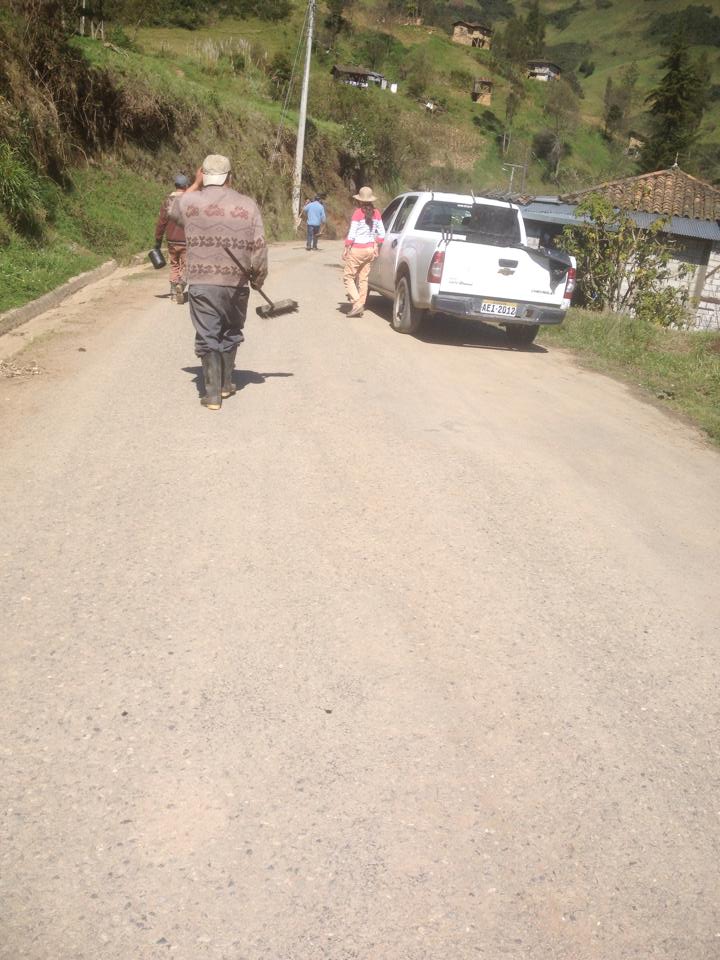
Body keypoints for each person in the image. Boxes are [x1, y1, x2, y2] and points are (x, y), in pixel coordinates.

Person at [170, 155, 268, 411]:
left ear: (204, 175)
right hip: (236, 284)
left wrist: (194, 183)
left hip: (203, 282)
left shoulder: (190, 202)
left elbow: (172, 210)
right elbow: (259, 246)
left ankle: (212, 394)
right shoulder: (248, 205)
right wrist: (258, 277)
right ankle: (226, 384)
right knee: (231, 332)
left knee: (208, 334)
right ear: (230, 177)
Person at [342, 186, 385, 318]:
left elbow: (352, 233)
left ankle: (356, 303)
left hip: (357, 250)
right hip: (370, 250)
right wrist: (376, 245)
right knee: (363, 279)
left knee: (348, 277)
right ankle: (360, 303)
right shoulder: (376, 213)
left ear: (359, 200)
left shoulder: (358, 213)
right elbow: (382, 234)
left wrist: (346, 247)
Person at [154, 174, 190, 304]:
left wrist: (158, 241)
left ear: (175, 186)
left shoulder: (167, 201)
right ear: (186, 186)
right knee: (187, 266)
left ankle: (174, 293)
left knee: (174, 265)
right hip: (186, 241)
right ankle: (181, 284)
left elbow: (161, 223)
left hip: (171, 241)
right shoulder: (189, 201)